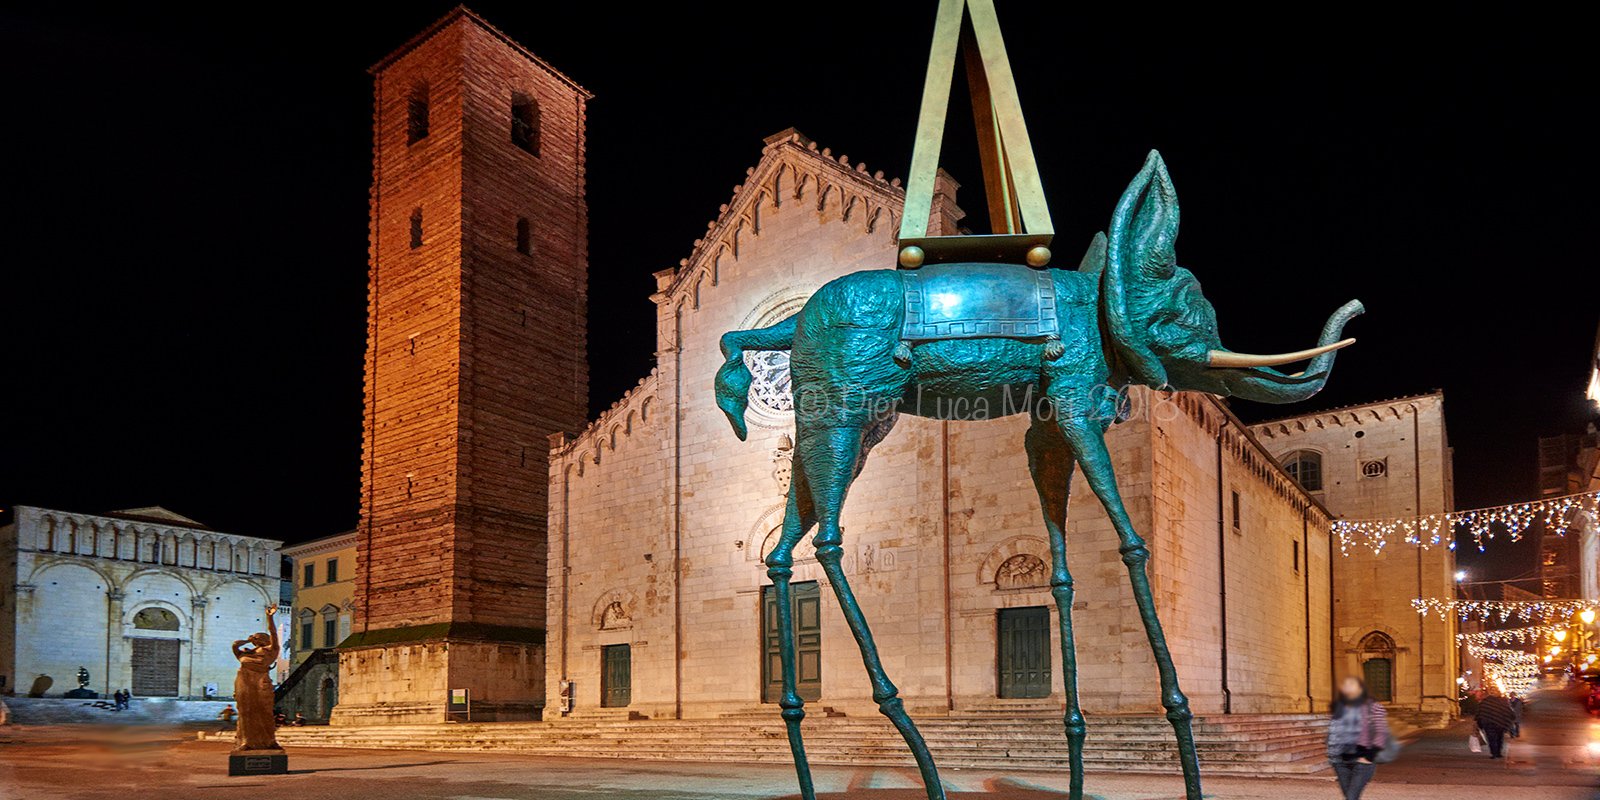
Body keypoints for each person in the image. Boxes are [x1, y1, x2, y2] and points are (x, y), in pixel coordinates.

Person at [1326, 675, 1389, 799]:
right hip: (1339, 761)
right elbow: (1333, 731)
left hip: (1362, 760)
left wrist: (1369, 756)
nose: (1347, 687)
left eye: (1352, 684)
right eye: (1346, 684)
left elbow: (1381, 732)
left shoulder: (1374, 707)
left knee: (1351, 797)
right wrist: (1332, 755)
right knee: (1350, 797)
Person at [229, 605, 281, 751]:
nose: (257, 639)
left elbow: (274, 633)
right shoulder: (245, 653)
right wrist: (247, 641)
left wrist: (269, 617)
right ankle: (247, 741)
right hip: (244, 679)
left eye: (259, 637)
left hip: (261, 679)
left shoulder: (271, 650)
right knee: (245, 710)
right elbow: (234, 645)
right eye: (255, 638)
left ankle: (270, 740)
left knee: (265, 710)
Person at [1476, 686, 1517, 758]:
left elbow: (1480, 712)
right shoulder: (1490, 701)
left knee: (1494, 738)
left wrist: (1479, 722)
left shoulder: (1488, 701)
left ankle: (1495, 753)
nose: (1493, 692)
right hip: (1494, 723)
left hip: (1492, 723)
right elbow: (1481, 711)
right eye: (1492, 690)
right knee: (1496, 738)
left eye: (1494, 690)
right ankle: (1496, 753)